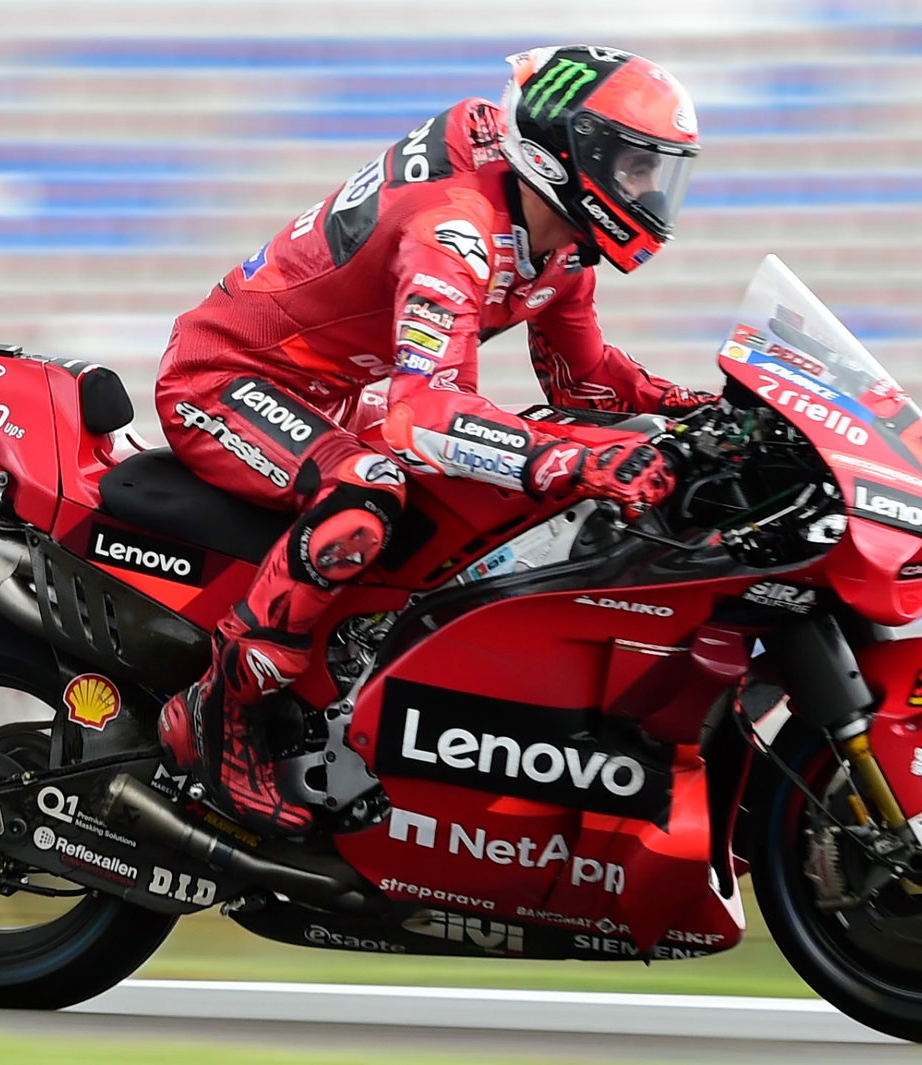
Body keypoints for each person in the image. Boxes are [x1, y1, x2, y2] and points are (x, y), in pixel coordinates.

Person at [154, 45, 715, 835]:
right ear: (567, 152)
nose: (651, 191)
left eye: (659, 170)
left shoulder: (556, 243)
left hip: (330, 392)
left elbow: (582, 383)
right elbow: (421, 414)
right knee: (368, 493)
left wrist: (701, 409)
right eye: (632, 167)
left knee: (486, 483)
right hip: (226, 379)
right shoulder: (454, 229)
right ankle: (219, 712)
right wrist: (580, 460)